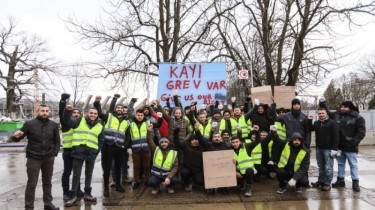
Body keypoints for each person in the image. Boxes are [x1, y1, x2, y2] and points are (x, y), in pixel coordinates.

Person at [13, 105, 60, 210]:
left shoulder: (53, 125)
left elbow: (57, 141)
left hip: (48, 158)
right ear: (37, 112)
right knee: (31, 184)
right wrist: (15, 136)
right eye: (42, 111)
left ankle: (48, 204)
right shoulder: (29, 124)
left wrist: (54, 154)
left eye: (47, 111)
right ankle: (29, 207)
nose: (45, 113)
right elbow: (18, 137)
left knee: (47, 182)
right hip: (33, 158)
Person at [64, 106, 104, 207]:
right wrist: (67, 111)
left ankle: (87, 194)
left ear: (97, 115)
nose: (93, 115)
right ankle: (72, 195)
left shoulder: (100, 126)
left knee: (89, 174)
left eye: (95, 114)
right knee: (76, 175)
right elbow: (67, 121)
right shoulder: (78, 121)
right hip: (79, 151)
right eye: (91, 113)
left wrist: (96, 151)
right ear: (87, 113)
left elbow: (101, 141)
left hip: (91, 153)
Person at [322, 100, 366, 192]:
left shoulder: (358, 117)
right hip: (339, 146)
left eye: (345, 107)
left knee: (353, 164)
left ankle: (355, 182)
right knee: (340, 164)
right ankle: (340, 180)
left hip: (351, 147)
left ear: (350, 107)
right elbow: (328, 113)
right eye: (341, 106)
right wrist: (323, 104)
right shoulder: (336, 115)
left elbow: (361, 132)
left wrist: (354, 142)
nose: (343, 108)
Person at [93, 94, 129, 196]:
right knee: (107, 168)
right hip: (108, 146)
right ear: (115, 109)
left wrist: (124, 146)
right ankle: (106, 188)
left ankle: (118, 185)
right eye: (118, 107)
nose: (119, 109)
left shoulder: (127, 122)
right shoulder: (108, 117)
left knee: (118, 167)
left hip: (119, 147)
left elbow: (128, 136)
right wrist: (97, 103)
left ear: (123, 110)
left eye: (121, 108)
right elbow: (99, 113)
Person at [59, 93, 84, 201]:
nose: (76, 114)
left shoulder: (81, 124)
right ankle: (66, 191)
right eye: (74, 112)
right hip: (68, 151)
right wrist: (63, 102)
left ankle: (77, 189)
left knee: (77, 172)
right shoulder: (66, 123)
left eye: (78, 113)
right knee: (67, 172)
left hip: (78, 150)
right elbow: (61, 114)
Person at [308, 108, 339, 191]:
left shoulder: (332, 123)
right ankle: (321, 181)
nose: (321, 115)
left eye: (322, 113)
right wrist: (309, 120)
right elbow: (310, 128)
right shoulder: (317, 123)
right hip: (319, 148)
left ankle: (327, 183)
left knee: (328, 167)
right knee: (321, 166)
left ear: (326, 114)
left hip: (328, 149)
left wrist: (334, 148)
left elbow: (336, 136)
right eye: (319, 113)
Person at [146, 124, 179, 194]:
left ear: (168, 143)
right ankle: (156, 187)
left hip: (167, 175)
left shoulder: (173, 153)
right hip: (156, 175)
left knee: (175, 180)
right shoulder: (156, 149)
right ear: (160, 144)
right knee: (151, 182)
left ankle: (170, 186)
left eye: (166, 142)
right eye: (162, 142)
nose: (164, 144)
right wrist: (149, 132)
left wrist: (169, 177)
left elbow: (175, 167)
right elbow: (149, 141)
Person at [231, 125, 261, 197]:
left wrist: (257, 132)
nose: (235, 144)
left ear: (240, 141)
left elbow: (257, 141)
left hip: (247, 172)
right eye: (233, 142)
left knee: (249, 170)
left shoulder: (247, 146)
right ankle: (241, 183)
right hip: (237, 173)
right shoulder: (229, 151)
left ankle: (248, 188)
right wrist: (235, 172)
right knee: (239, 186)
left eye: (236, 142)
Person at [174, 124, 205, 191]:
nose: (194, 141)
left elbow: (202, 140)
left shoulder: (202, 147)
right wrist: (176, 133)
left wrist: (197, 131)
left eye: (196, 140)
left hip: (197, 170)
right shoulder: (186, 146)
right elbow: (177, 144)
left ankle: (194, 180)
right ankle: (187, 183)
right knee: (184, 173)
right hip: (187, 168)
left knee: (200, 182)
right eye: (192, 140)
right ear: (190, 141)